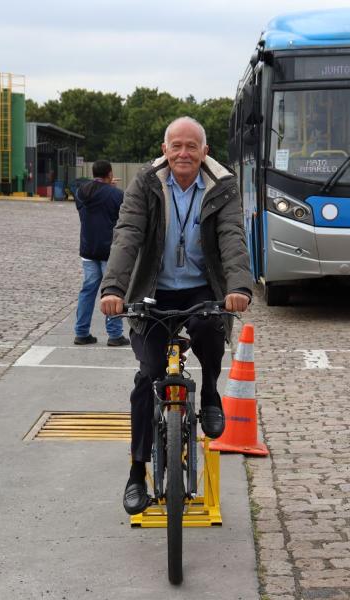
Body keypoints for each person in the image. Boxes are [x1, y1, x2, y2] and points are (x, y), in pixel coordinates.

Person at [100, 116, 252, 515]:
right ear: (165, 149)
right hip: (154, 288)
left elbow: (232, 237)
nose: (184, 153)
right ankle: (137, 472)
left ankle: (212, 394)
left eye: (192, 146)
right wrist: (114, 289)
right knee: (147, 376)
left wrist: (238, 287)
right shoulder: (146, 183)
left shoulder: (222, 185)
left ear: (205, 151)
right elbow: (128, 234)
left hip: (201, 287)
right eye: (176, 146)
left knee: (209, 329)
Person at [73, 160, 130, 347]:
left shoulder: (81, 192)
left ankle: (81, 332)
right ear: (110, 174)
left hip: (88, 249)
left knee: (87, 291)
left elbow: (93, 194)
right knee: (112, 291)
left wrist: (105, 185)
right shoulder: (116, 194)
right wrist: (110, 187)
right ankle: (114, 334)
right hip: (110, 251)